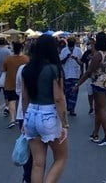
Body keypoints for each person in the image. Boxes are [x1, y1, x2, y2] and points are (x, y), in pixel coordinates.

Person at [21, 35, 69, 183]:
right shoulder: (54, 69)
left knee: (37, 163)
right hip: (49, 115)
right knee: (61, 158)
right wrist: (65, 124)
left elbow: (24, 97)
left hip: (31, 114)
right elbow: (59, 98)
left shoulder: (27, 69)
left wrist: (24, 119)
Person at [75, 32, 106, 146]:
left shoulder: (98, 54)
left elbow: (89, 71)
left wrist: (78, 84)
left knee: (101, 110)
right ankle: (96, 133)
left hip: (99, 82)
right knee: (99, 109)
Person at [16, 46, 34, 183]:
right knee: (39, 152)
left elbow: (18, 90)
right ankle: (34, 176)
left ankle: (27, 177)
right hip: (40, 113)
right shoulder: (46, 68)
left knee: (27, 147)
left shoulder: (22, 69)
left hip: (23, 114)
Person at [2, 42, 30, 129]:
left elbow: (3, 69)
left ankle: (12, 119)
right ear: (21, 49)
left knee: (11, 101)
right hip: (22, 83)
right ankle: (19, 117)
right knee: (20, 100)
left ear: (13, 49)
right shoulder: (26, 59)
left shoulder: (8, 59)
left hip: (10, 82)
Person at [59, 37, 83, 117]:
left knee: (74, 92)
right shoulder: (64, 51)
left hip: (76, 75)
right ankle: (68, 106)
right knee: (67, 92)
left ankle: (72, 109)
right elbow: (61, 62)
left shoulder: (78, 51)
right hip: (66, 74)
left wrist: (76, 59)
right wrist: (67, 57)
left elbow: (81, 63)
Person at [80, 39, 96, 114]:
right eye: (88, 44)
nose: (89, 45)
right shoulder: (86, 53)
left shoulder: (98, 53)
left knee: (97, 93)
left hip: (97, 76)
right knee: (90, 93)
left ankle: (97, 106)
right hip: (89, 76)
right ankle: (91, 107)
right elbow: (81, 62)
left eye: (91, 44)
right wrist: (76, 59)